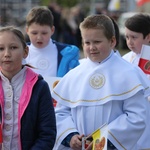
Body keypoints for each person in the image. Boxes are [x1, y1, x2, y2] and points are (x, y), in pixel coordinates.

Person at [51, 14, 150, 150]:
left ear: (112, 41)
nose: (92, 47)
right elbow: (61, 112)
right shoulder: (74, 74)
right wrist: (70, 136)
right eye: (87, 43)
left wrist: (102, 140)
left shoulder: (129, 73)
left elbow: (136, 116)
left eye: (97, 42)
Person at [0, 26, 56, 150]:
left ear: (25, 51)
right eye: (1, 48)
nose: (7, 54)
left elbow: (47, 134)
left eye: (13, 47)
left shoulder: (39, 87)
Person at [25, 6, 80, 78]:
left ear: (52, 30)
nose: (39, 37)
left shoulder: (67, 54)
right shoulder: (19, 53)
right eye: (34, 33)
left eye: (44, 33)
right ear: (27, 30)